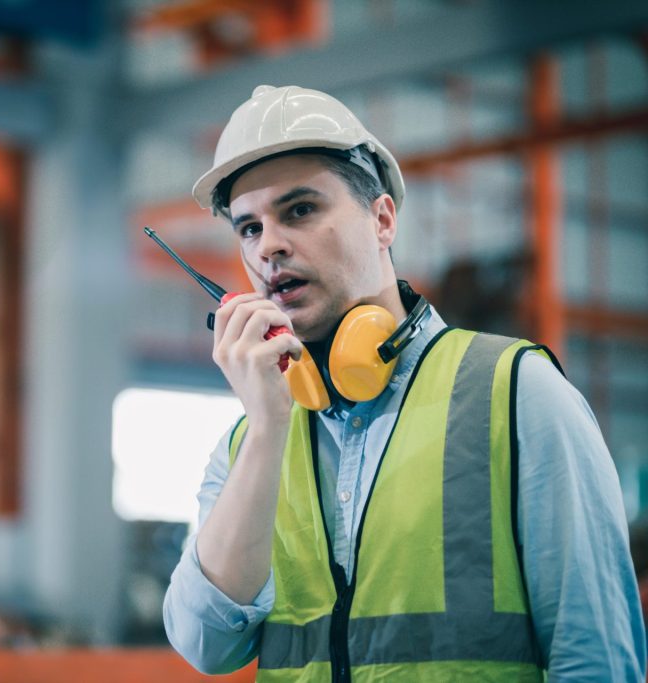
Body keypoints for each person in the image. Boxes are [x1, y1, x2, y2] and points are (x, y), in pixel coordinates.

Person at [162, 85, 646, 682]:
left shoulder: (517, 394)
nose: (271, 247)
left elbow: (595, 658)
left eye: (300, 210)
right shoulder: (247, 444)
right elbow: (204, 646)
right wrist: (266, 432)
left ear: (383, 218)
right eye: (249, 229)